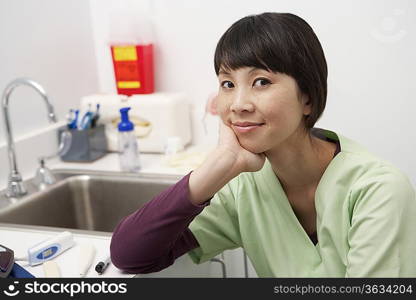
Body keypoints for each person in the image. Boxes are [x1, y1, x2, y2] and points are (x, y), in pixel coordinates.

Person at [110, 12, 416, 277]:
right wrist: (218, 165)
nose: (238, 104)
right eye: (227, 84)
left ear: (307, 97)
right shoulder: (242, 188)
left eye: (262, 82)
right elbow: (130, 254)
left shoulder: (377, 191)